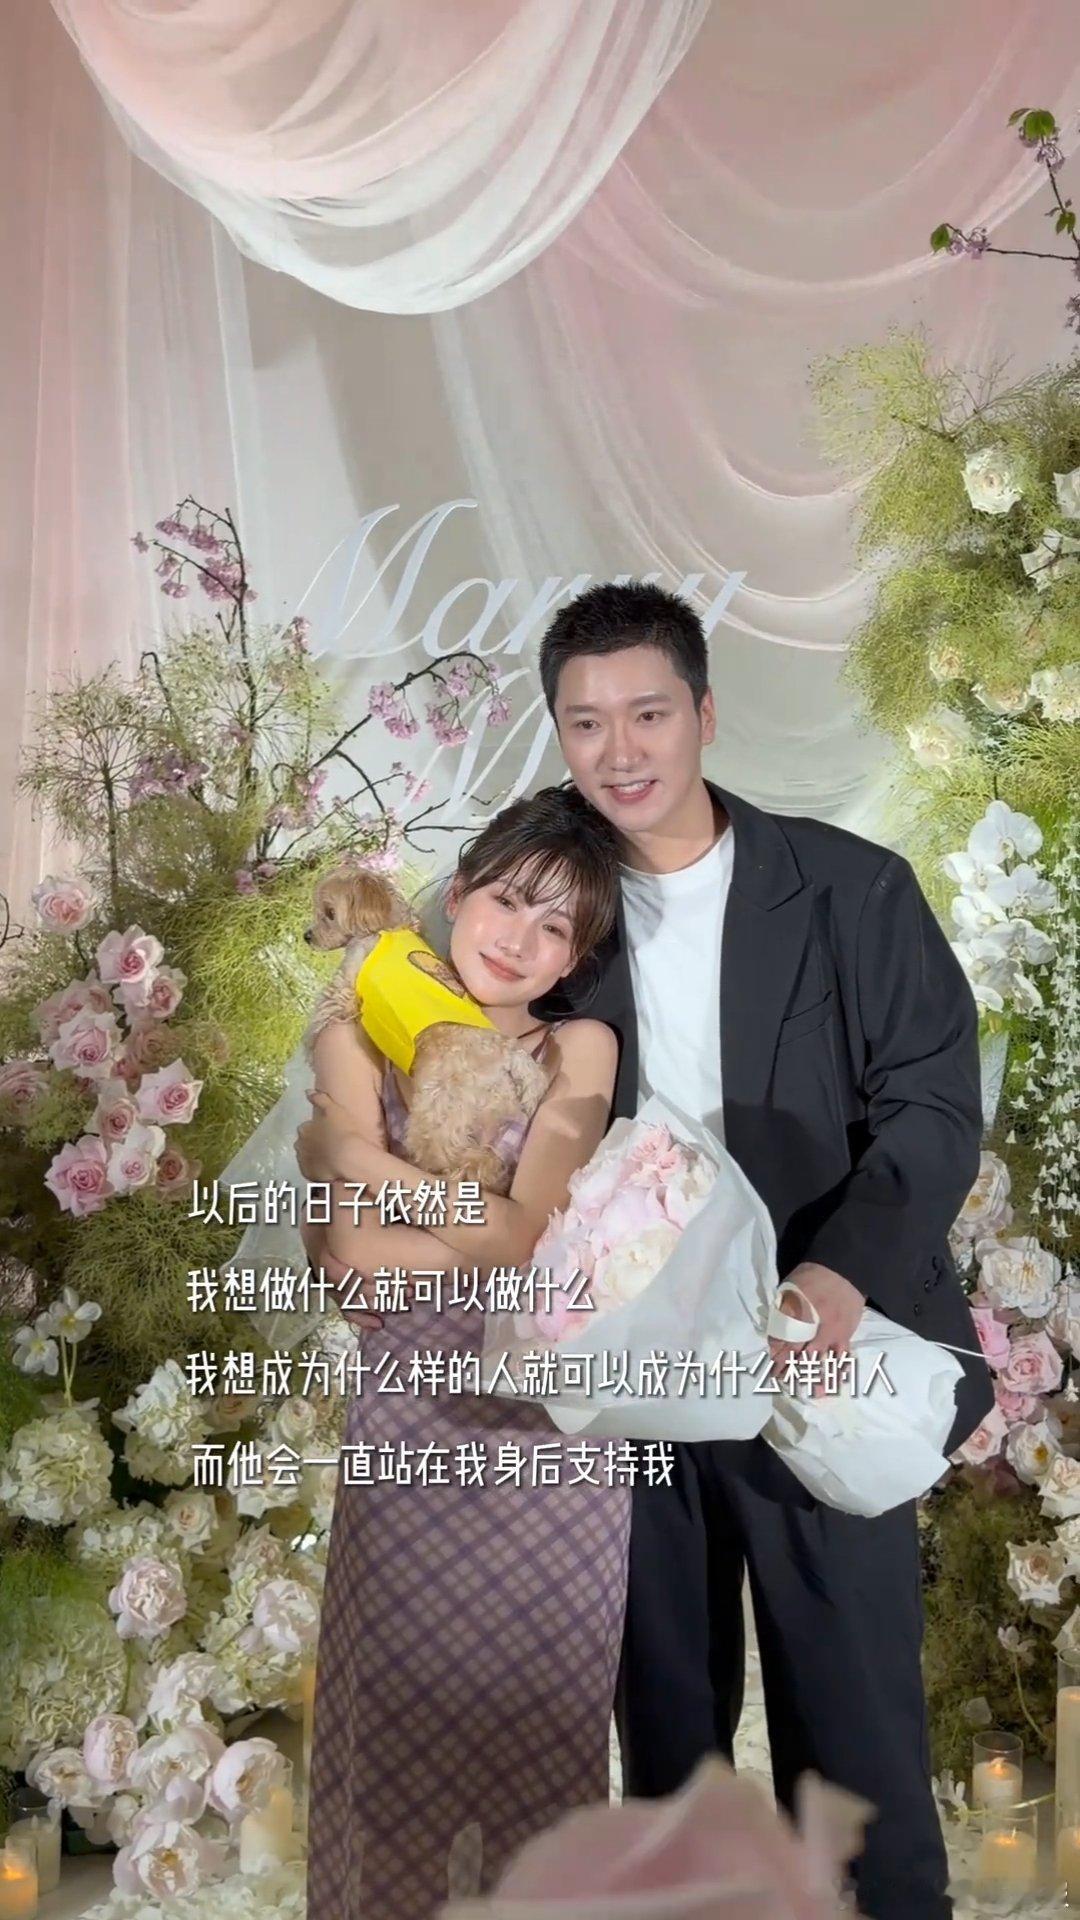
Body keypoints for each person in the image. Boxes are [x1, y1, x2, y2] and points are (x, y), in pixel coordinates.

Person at [524, 581, 994, 1920]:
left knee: (855, 1725)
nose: (620, 750)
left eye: (649, 714)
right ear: (559, 734)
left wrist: (839, 1271)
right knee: (665, 1725)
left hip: (812, 1348)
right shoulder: (549, 918)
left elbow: (932, 1106)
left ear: (706, 715)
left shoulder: (851, 890)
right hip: (635, 1370)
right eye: (587, 722)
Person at [296, 785, 631, 1920]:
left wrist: (360, 1164)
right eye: (507, 900)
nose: (521, 940)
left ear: (577, 958)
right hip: (412, 1425)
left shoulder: (579, 1044)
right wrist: (468, 1227)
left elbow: (527, 1234)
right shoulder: (355, 1026)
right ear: (458, 890)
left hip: (555, 1446)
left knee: (548, 1774)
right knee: (389, 1765)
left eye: (557, 927)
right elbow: (353, 1259)